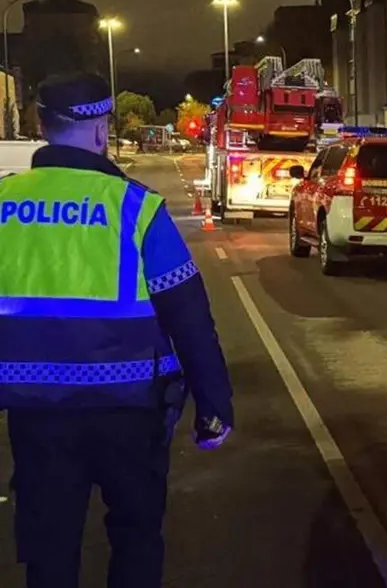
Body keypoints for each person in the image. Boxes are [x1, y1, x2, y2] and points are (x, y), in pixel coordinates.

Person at [0, 73, 234, 588]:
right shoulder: (137, 208)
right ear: (103, 130)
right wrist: (213, 406)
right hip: (130, 411)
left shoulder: (3, 204)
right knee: (135, 536)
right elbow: (188, 315)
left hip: (36, 412)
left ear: (40, 125)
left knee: (49, 545)